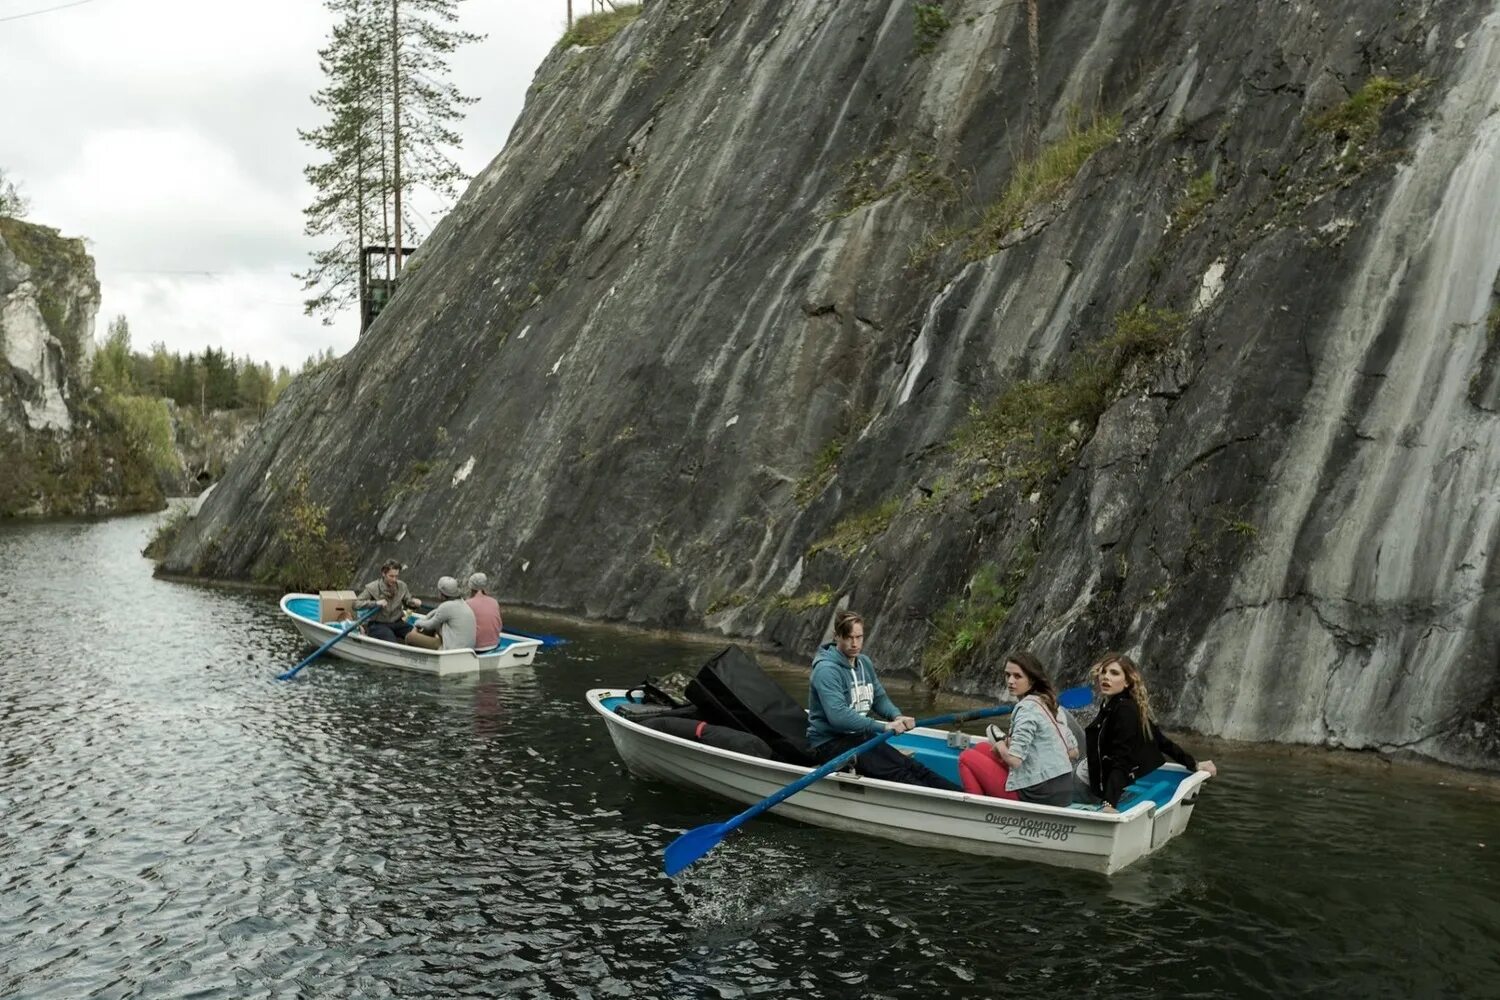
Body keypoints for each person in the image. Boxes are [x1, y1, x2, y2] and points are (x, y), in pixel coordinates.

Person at [806, 610, 961, 791]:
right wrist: (883, 727)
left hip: (858, 737)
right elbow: (838, 716)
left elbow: (878, 698)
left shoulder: (864, 662)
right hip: (829, 743)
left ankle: (964, 799)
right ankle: (942, 808)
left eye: (859, 637)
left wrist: (896, 716)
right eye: (849, 638)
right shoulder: (826, 670)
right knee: (899, 774)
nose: (855, 643)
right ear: (837, 637)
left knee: (913, 766)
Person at [1084, 652, 1218, 811]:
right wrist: (1193, 763)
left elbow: (1121, 758)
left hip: (1098, 781)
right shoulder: (1113, 704)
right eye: (1104, 672)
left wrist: (1109, 803)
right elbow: (1159, 740)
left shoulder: (1125, 710)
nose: (1106, 677)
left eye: (1114, 673)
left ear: (1127, 682)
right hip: (1095, 777)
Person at [957, 651, 1078, 805]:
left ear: (1032, 680)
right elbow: (1073, 752)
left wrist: (1000, 744)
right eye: (1008, 675)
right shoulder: (1053, 704)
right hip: (1064, 789)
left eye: (1017, 676)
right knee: (982, 748)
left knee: (966, 757)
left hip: (1038, 794)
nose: (1010, 681)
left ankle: (975, 811)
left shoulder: (1026, 709)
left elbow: (1014, 761)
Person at [355, 559, 422, 643]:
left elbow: (408, 601)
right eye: (391, 576)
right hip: (378, 624)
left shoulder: (402, 586)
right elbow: (356, 604)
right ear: (383, 573)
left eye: (396, 576)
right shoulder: (372, 587)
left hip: (397, 622)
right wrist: (375, 603)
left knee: (418, 637)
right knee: (390, 639)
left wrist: (414, 603)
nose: (394, 579)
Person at [405, 576, 477, 650]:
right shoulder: (463, 603)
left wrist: (417, 622)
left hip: (451, 649)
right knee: (435, 626)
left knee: (410, 637)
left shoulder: (446, 606)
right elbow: (436, 614)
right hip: (466, 650)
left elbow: (429, 625)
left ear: (442, 594)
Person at [466, 572, 503, 651]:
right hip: (494, 644)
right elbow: (499, 626)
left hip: (476, 648)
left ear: (471, 587)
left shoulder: (467, 604)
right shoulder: (494, 602)